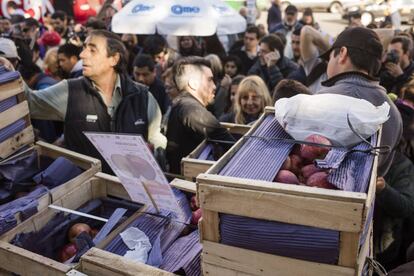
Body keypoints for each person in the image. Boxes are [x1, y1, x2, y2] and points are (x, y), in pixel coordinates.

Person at [19, 30, 166, 173]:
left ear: (114, 59)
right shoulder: (70, 90)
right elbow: (29, 103)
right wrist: (10, 73)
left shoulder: (143, 97)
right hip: (84, 193)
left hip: (130, 194)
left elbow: (156, 138)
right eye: (83, 48)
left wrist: (154, 150)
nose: (82, 55)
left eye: (92, 50)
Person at [317, 27, 403, 177]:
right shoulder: (393, 112)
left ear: (342, 54)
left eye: (330, 57)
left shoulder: (322, 100)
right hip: (365, 199)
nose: (328, 64)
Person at [166, 57, 234, 174]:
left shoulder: (184, 104)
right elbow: (228, 142)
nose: (214, 86)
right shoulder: (191, 108)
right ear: (193, 83)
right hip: (189, 187)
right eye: (209, 80)